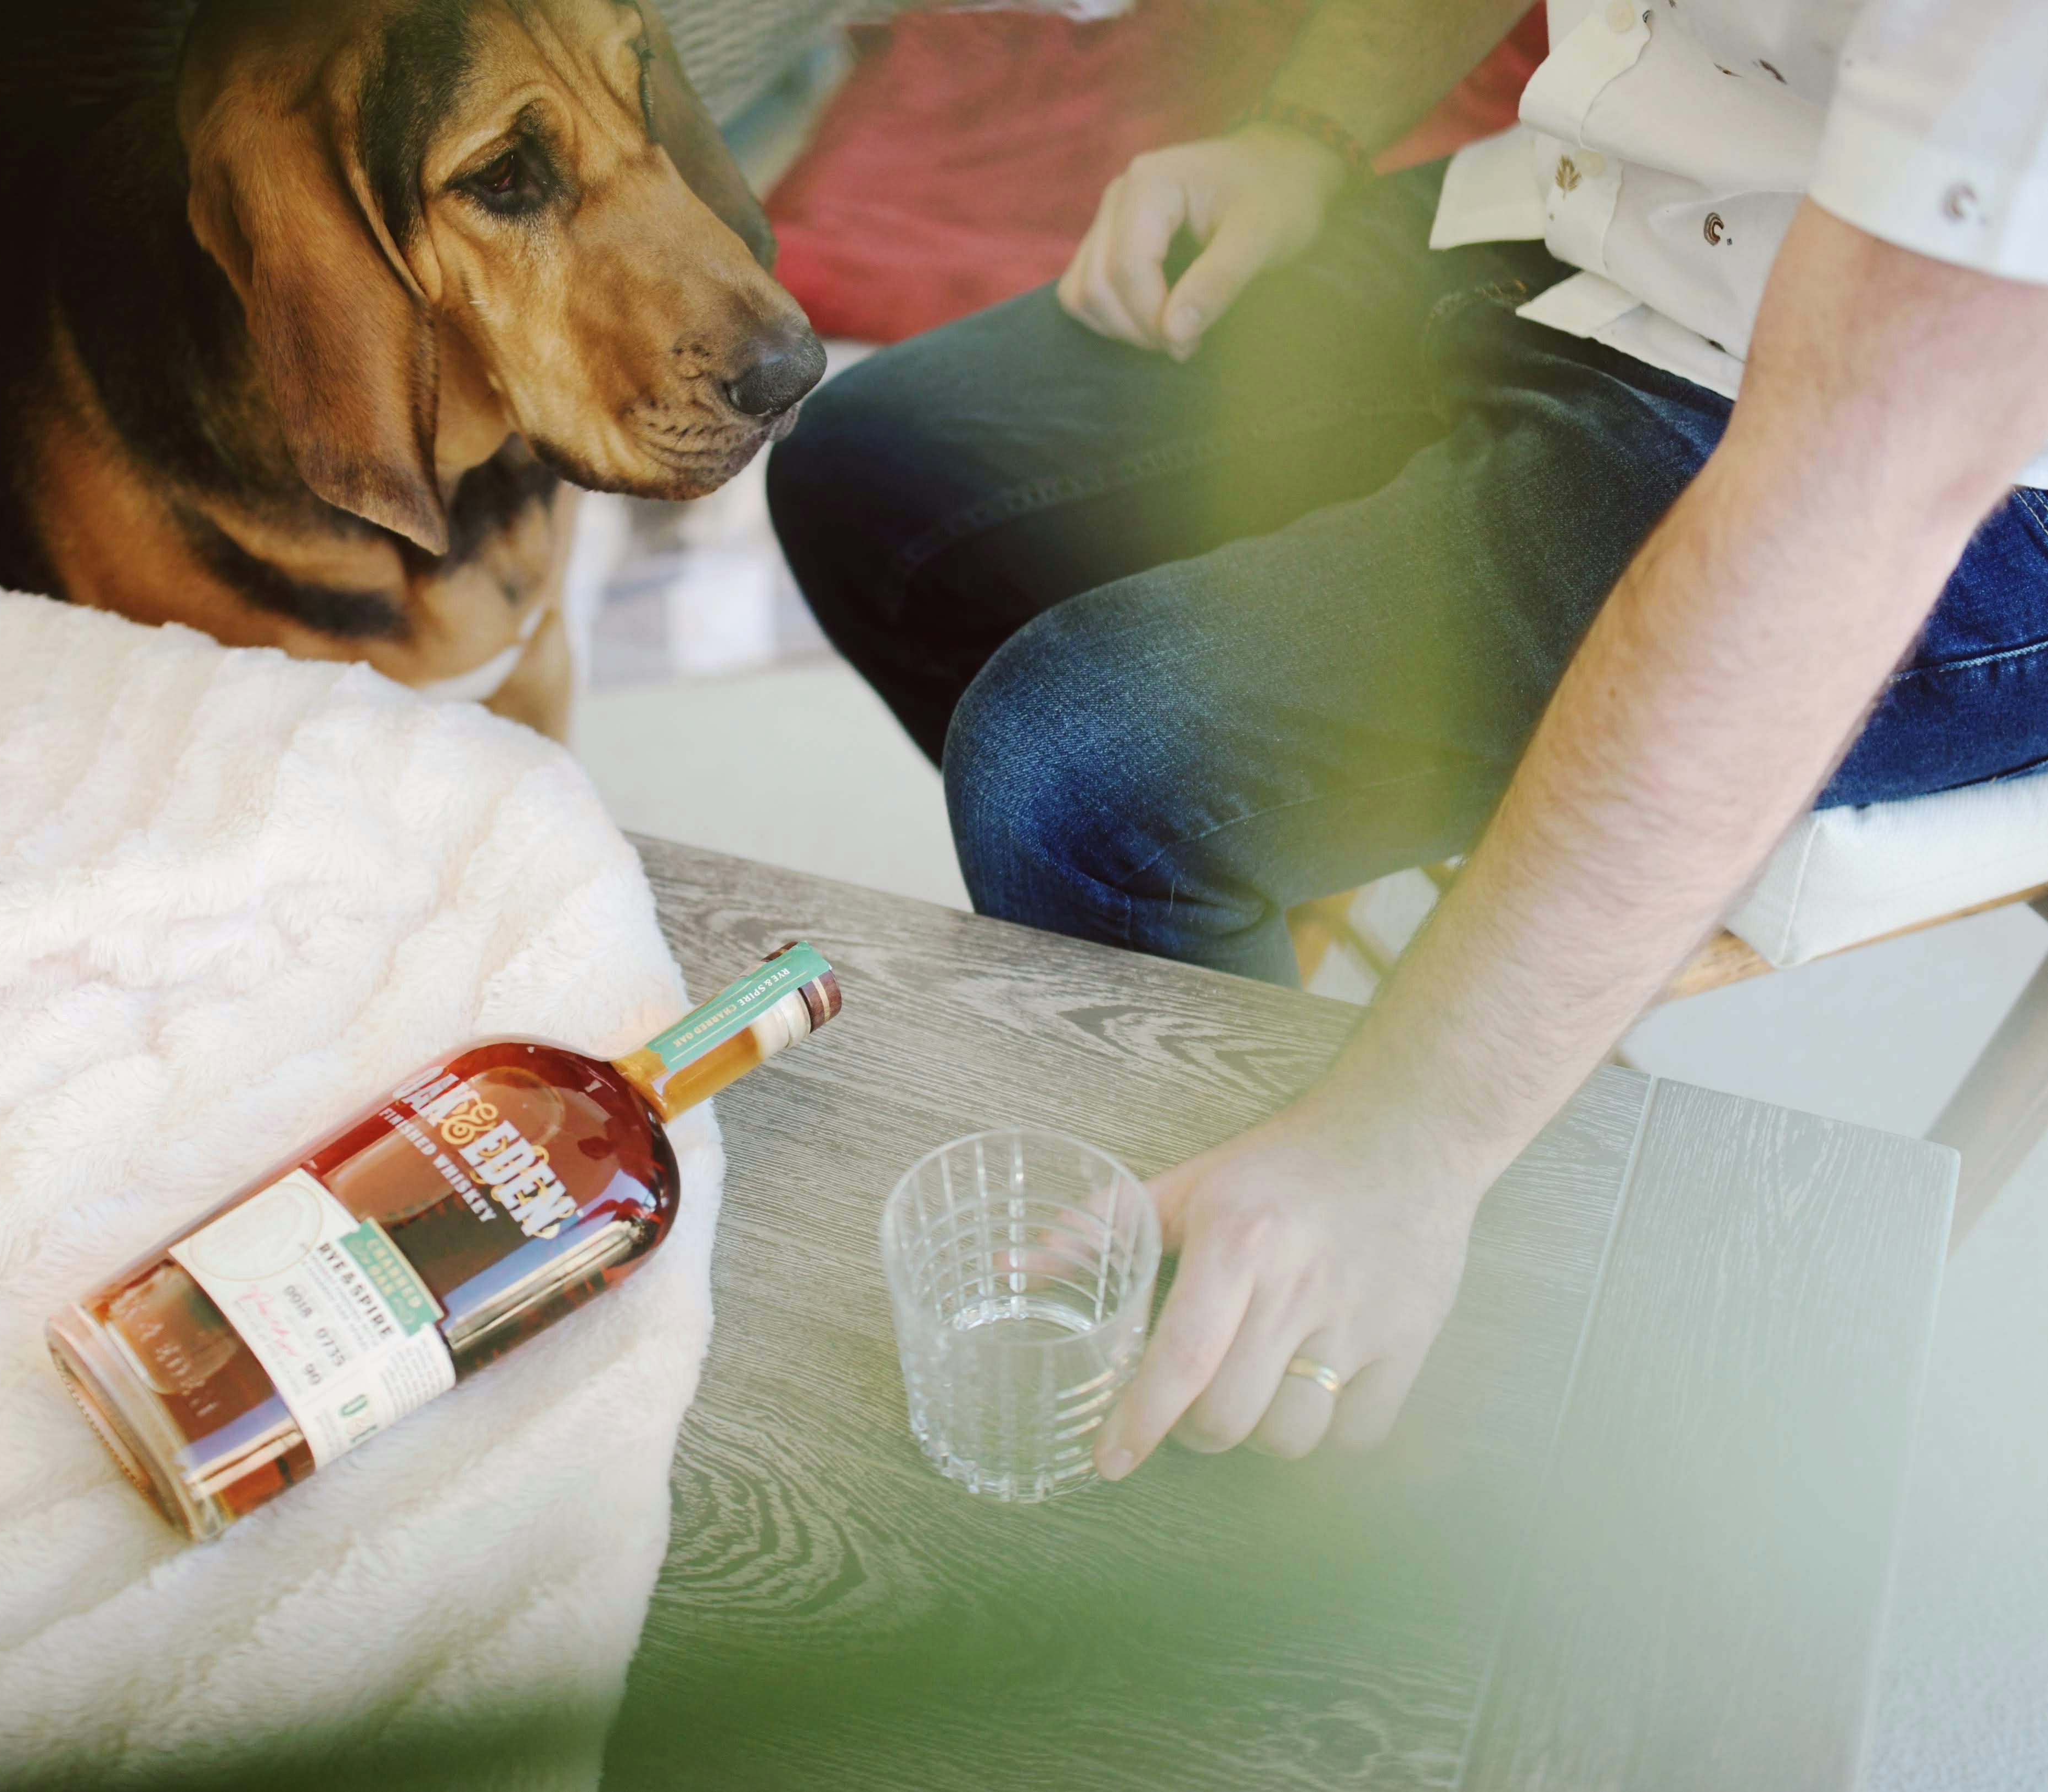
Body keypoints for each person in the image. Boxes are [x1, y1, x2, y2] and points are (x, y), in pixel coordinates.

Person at [769, 0, 2048, 1480]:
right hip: (1587, 222)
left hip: (1948, 463)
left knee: (1083, 769)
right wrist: (1298, 136)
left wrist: (1410, 1139)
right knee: (875, 473)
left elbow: (1851, 488)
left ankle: (1320, 1328)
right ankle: (1261, 1082)